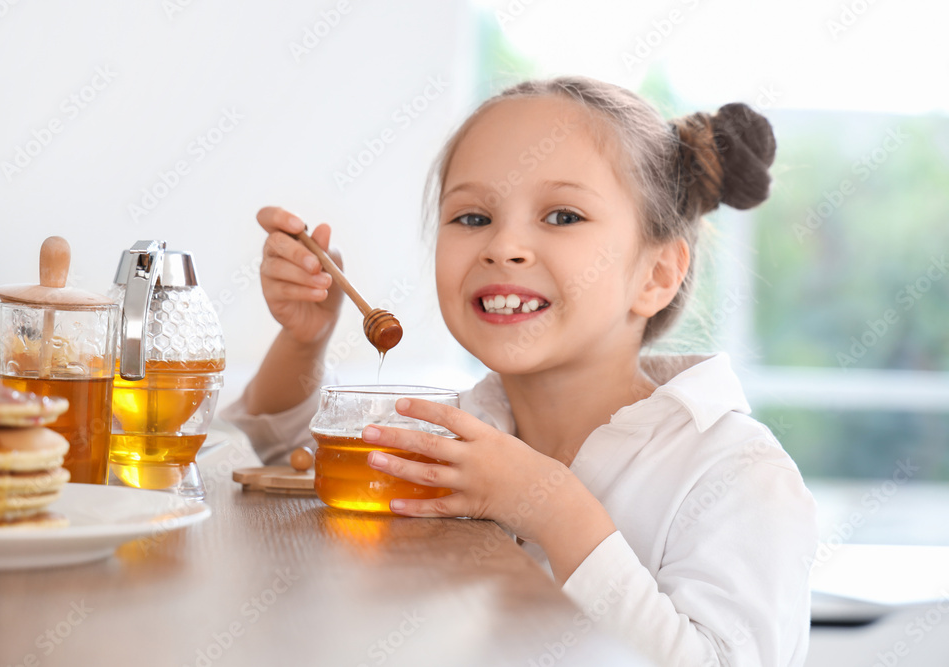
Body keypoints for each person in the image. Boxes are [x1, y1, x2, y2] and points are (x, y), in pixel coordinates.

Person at [223, 76, 817, 666]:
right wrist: (305, 340)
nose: (503, 246)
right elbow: (277, 460)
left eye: (562, 216)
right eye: (473, 218)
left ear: (657, 275)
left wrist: (551, 508)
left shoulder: (737, 475)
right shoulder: (461, 428)